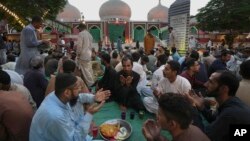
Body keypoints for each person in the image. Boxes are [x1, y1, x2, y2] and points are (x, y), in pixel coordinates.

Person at [29, 73, 111, 141]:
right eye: (77, 87)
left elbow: (79, 97)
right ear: (67, 92)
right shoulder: (55, 116)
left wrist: (93, 98)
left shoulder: (58, 95)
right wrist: (89, 114)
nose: (80, 89)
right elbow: (75, 139)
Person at [186, 71, 250, 141]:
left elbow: (203, 137)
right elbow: (215, 119)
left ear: (224, 89)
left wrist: (193, 107)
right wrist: (202, 107)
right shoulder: (231, 102)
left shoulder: (231, 113)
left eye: (211, 82)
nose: (205, 84)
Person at [142, 93, 210, 141]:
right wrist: (157, 137)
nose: (156, 116)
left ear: (172, 124)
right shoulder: (191, 128)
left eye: (159, 114)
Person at [76, 23, 94, 87]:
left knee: (86, 71)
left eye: (79, 29)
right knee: (89, 70)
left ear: (81, 28)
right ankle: (90, 83)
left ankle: (91, 84)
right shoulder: (90, 35)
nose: (79, 30)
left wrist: (78, 54)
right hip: (89, 55)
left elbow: (79, 46)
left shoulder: (81, 34)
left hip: (83, 55)